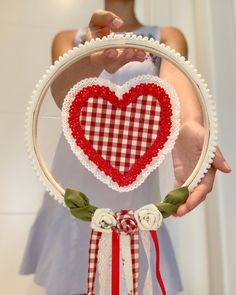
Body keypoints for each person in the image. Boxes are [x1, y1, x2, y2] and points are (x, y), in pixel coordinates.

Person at [20, 1, 231, 294]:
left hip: (132, 189)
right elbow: (62, 95)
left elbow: (178, 83)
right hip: (73, 187)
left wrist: (191, 125)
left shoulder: (167, 36)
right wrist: (94, 58)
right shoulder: (70, 38)